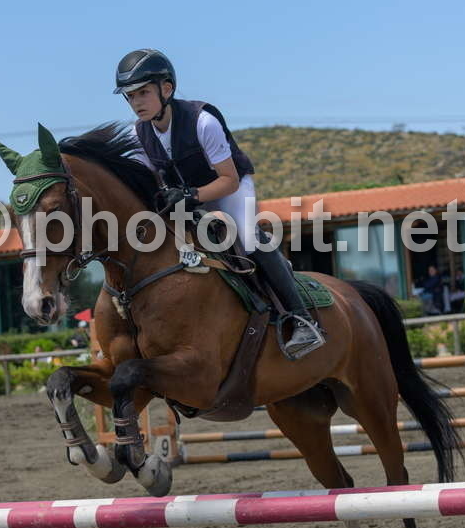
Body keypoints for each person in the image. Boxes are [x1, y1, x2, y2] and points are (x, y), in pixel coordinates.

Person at [114, 48, 324, 358]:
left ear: (166, 89)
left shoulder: (202, 121)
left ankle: (302, 318)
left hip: (227, 186)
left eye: (143, 92)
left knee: (247, 236)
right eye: (130, 96)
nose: (136, 102)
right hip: (186, 196)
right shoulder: (138, 134)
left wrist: (192, 196)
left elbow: (229, 179)